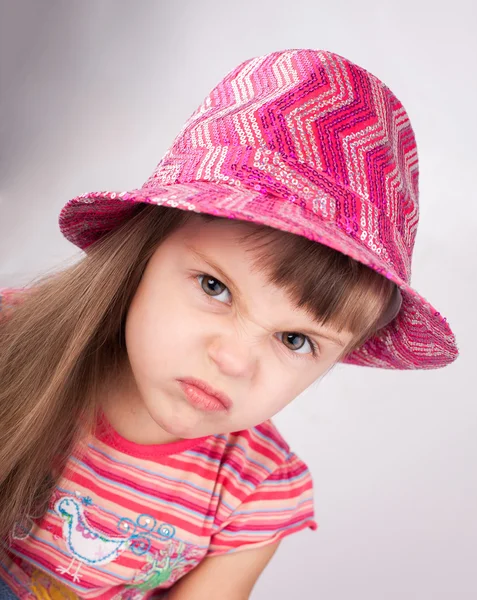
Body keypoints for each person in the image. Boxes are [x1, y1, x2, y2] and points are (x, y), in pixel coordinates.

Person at [0, 48, 458, 600]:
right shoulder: (14, 338)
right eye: (215, 287)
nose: (234, 360)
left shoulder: (257, 492)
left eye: (296, 340)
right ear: (142, 252)